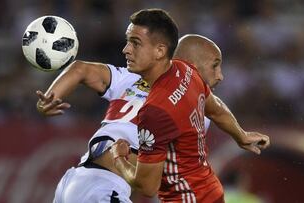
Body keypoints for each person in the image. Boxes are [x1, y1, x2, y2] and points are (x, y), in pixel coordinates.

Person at [35, 23, 223, 203]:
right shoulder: (196, 113)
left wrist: (50, 98)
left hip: (76, 181)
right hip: (104, 187)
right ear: (192, 66)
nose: (220, 76)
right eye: (215, 66)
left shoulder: (132, 77)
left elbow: (80, 69)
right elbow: (155, 182)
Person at [109, 8, 270, 203]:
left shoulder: (155, 111)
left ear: (160, 50)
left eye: (135, 43)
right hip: (210, 190)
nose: (126, 49)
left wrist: (118, 159)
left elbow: (147, 186)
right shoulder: (186, 71)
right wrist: (241, 136)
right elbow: (216, 108)